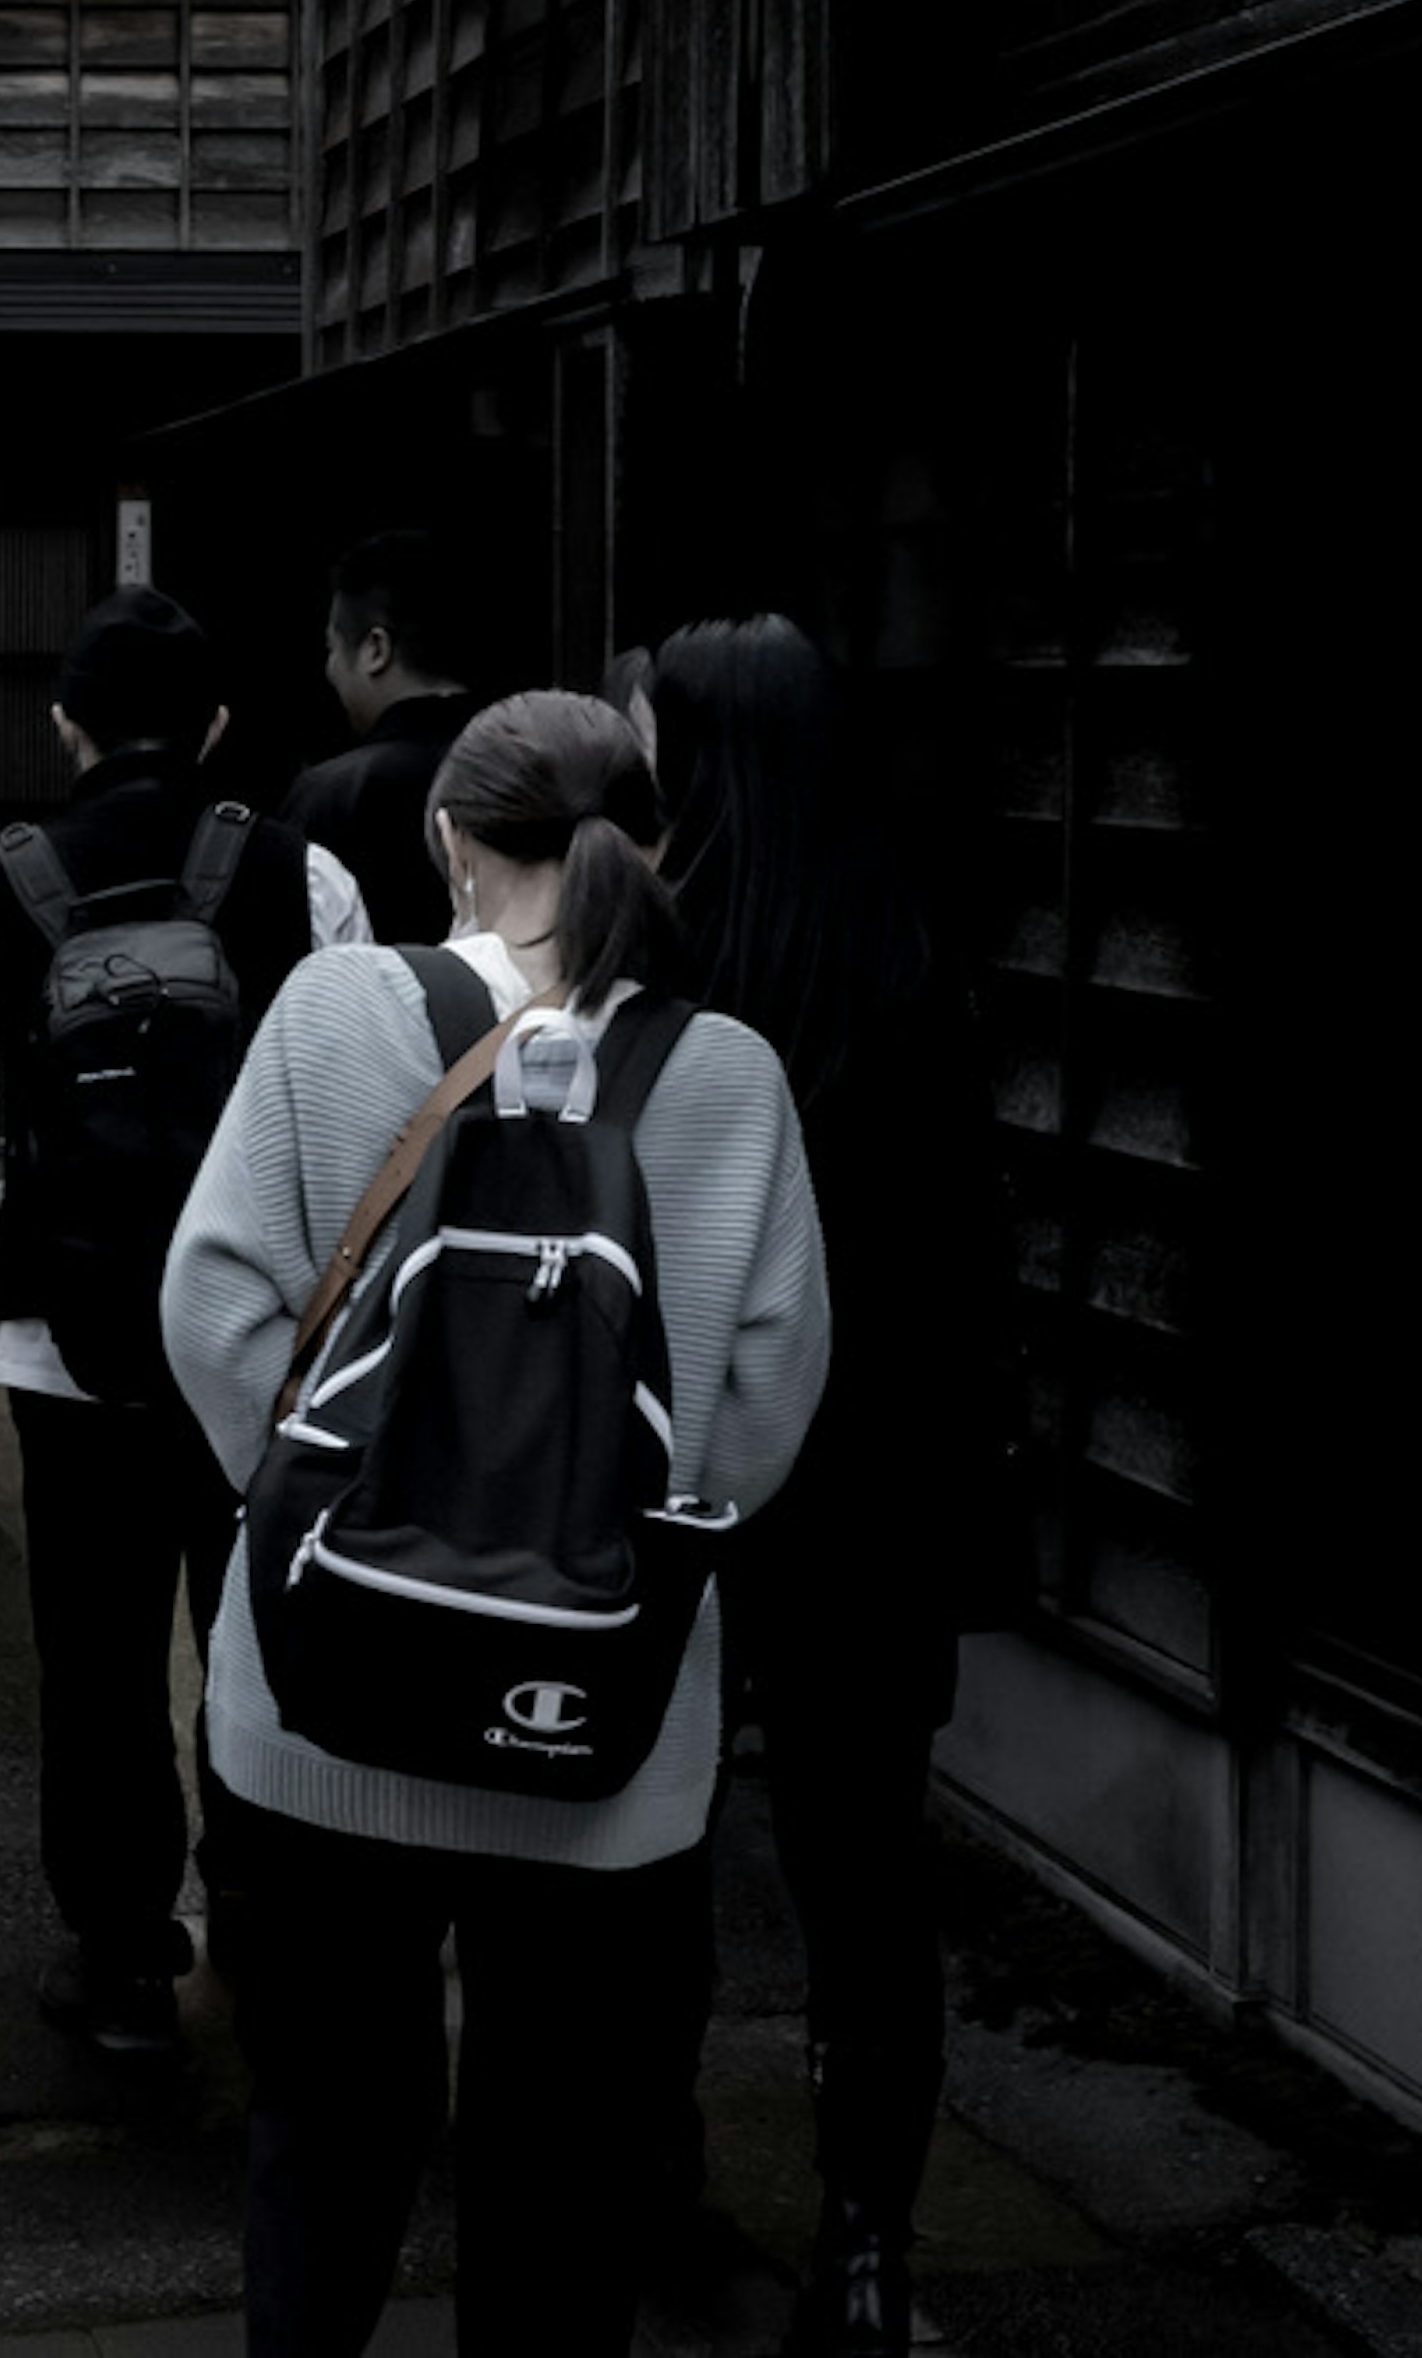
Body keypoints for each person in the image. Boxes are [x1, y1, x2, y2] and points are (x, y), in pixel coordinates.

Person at [160, 690, 831, 2353]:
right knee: (557, 2179)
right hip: (598, 1744)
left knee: (322, 2144)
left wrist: (328, 1513)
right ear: (652, 850)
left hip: (327, 1719)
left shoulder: (335, 1011)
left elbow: (215, 1298)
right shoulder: (728, 1072)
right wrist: (614, 1554)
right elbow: (762, 1397)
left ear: (446, 841)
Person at [0, 583, 369, 2051]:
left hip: (65, 1335)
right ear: (217, 727)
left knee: (92, 1657)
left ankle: (116, 1958)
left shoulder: (0, 888)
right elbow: (362, 1114)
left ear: (64, 723)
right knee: (260, 1641)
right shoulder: (309, 877)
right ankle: (265, 1927)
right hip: (267, 1350)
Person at [647, 614, 1000, 2356]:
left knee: (649, 1853)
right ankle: (868, 2250)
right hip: (875, 1504)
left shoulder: (661, 982)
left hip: (680, 1491)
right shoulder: (906, 972)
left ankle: (666, 2195)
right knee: (868, 1885)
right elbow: (968, 1284)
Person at [277, 531, 483, 944]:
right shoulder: (531, 768)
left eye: (332, 649)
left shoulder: (328, 796)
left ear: (375, 649)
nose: (329, 670)